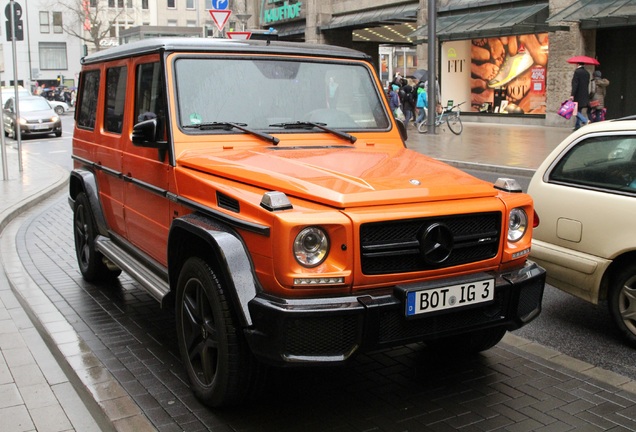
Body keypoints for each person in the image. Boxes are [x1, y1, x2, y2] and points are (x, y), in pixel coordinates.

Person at [570, 63, 590, 130]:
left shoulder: (577, 72)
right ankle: (577, 126)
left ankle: (585, 120)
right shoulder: (587, 73)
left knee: (574, 110)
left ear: (577, 64)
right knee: (579, 110)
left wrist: (572, 94)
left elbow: (575, 84)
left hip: (578, 95)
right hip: (584, 94)